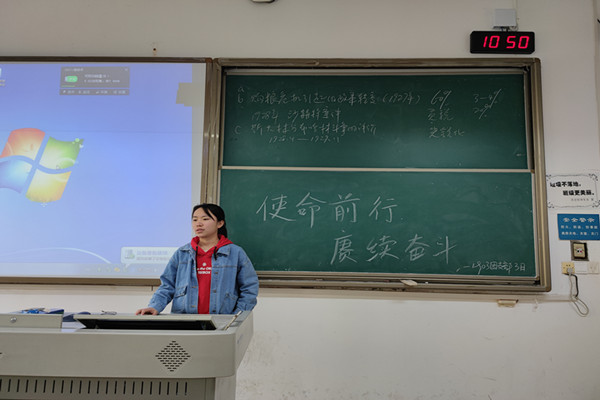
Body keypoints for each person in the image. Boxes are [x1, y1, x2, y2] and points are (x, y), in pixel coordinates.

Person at [136, 203, 259, 315]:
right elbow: (167, 286)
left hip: (222, 322)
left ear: (220, 223)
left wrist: (237, 315)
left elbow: (249, 288)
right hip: (185, 322)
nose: (198, 223)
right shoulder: (182, 253)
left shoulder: (235, 253)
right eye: (195, 219)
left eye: (205, 219)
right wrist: (154, 306)